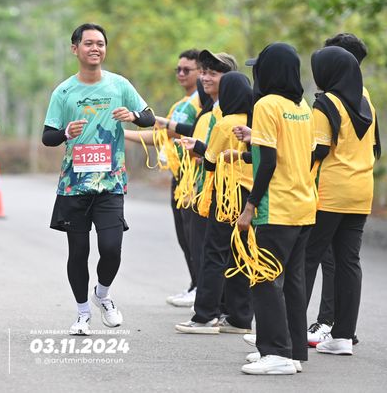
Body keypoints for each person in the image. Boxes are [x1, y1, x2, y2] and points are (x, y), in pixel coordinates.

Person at [43, 23, 154, 336]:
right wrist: (66, 132)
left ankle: (102, 294)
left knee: (111, 248)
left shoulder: (119, 85)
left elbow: (148, 116)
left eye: (100, 44)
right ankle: (82, 313)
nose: (95, 48)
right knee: (78, 252)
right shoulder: (64, 92)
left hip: (110, 184)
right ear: (75, 48)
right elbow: (47, 136)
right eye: (89, 43)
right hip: (74, 186)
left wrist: (133, 116)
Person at [237, 42, 316, 375]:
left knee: (265, 278)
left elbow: (268, 162)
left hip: (277, 207)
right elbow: (297, 154)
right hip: (304, 205)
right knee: (293, 283)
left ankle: (275, 353)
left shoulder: (267, 104)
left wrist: (249, 206)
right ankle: (294, 352)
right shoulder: (303, 106)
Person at [303, 46, 378, 356]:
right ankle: (343, 337)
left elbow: (318, 150)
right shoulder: (365, 101)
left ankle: (286, 332)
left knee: (306, 258)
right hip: (361, 191)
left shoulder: (325, 103)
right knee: (349, 262)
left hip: (330, 192)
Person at [174, 70, 253, 335]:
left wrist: (200, 150)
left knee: (214, 253)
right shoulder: (253, 122)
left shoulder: (224, 123)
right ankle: (240, 318)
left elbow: (210, 161)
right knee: (241, 254)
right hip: (249, 195)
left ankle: (205, 316)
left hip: (226, 194)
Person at [125, 49, 201, 307]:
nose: (181, 74)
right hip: (178, 175)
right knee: (184, 236)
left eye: (187, 69)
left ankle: (203, 289)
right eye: (178, 69)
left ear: (201, 71)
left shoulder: (202, 103)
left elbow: (188, 133)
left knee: (195, 236)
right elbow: (162, 136)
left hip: (195, 176)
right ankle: (195, 285)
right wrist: (123, 134)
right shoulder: (181, 105)